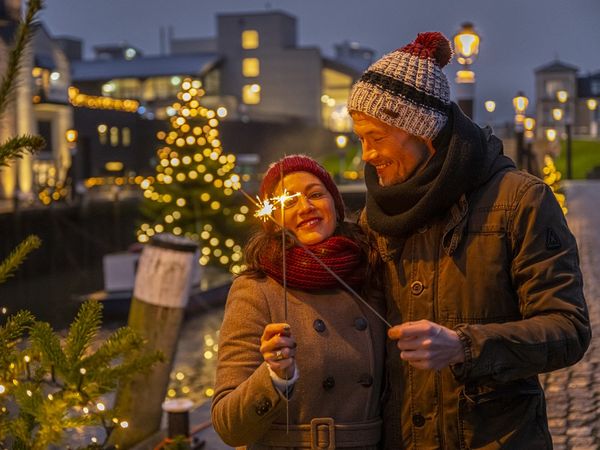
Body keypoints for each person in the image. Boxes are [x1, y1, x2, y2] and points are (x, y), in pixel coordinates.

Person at [347, 32, 591, 449]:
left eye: (375, 137)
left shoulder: (520, 200)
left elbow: (568, 329)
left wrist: (465, 347)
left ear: (420, 130)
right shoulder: (376, 215)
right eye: (360, 139)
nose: (366, 155)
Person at [211, 155, 386, 449]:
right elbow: (229, 428)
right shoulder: (255, 290)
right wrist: (275, 377)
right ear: (273, 218)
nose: (306, 207)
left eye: (316, 194)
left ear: (335, 204)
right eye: (289, 201)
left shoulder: (371, 271)